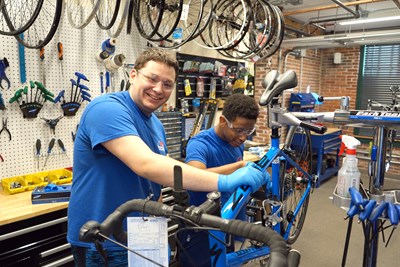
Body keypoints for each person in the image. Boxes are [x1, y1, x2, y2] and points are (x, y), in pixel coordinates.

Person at [67, 47, 267, 266]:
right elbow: (145, 164)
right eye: (152, 78)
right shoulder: (106, 109)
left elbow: (154, 183)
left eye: (167, 84)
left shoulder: (155, 124)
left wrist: (158, 231)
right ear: (133, 75)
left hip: (140, 236)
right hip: (103, 238)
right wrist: (226, 179)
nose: (158, 89)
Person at [178, 93, 261, 266]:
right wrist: (238, 167)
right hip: (202, 227)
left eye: (249, 131)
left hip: (227, 221)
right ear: (223, 121)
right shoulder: (200, 143)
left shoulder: (235, 142)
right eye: (239, 130)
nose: (243, 137)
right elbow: (194, 174)